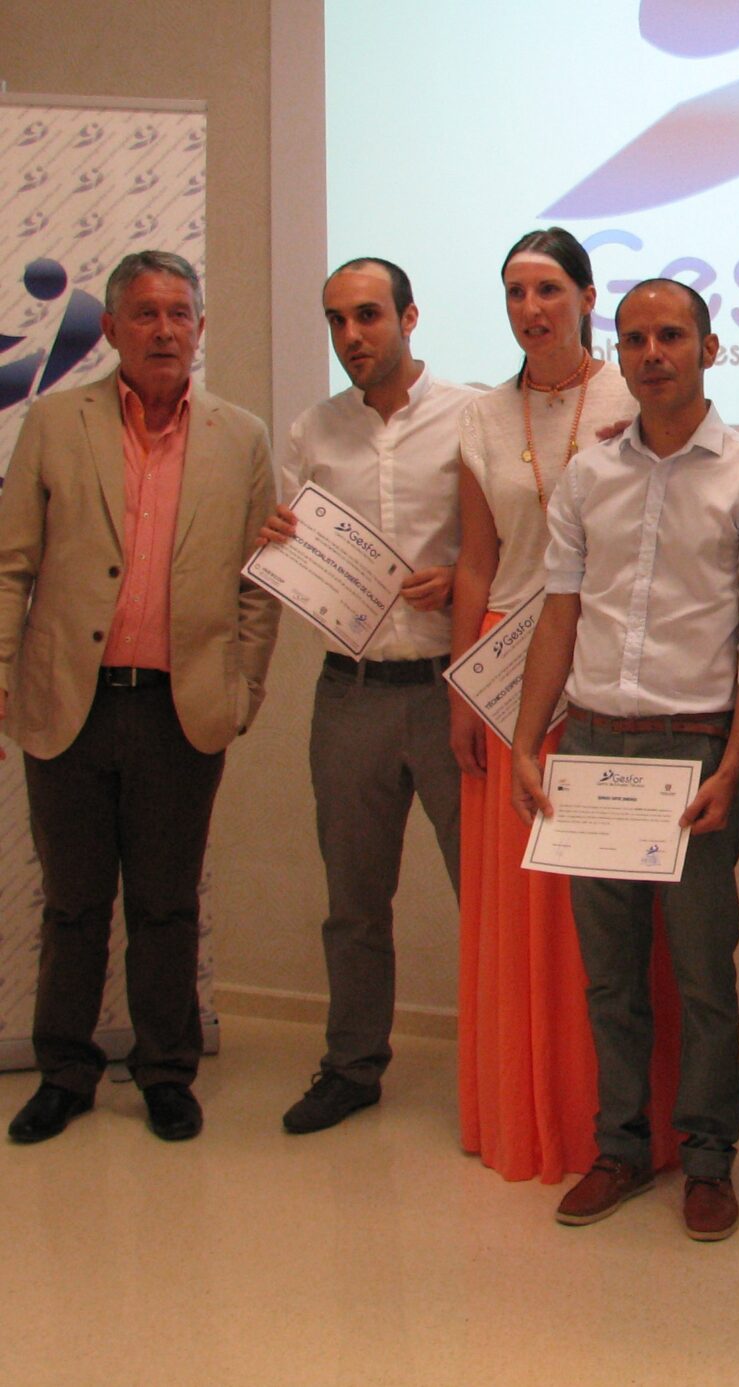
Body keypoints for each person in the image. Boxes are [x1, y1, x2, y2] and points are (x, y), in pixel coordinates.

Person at [510, 278, 739, 1239]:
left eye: (672, 335)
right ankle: (621, 1147)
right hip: (592, 745)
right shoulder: (590, 475)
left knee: (704, 972)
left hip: (694, 751)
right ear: (619, 354)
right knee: (610, 973)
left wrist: (734, 764)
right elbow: (559, 614)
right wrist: (527, 741)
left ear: (709, 348)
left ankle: (708, 1160)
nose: (653, 353)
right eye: (634, 339)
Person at [0, 250, 280, 1144]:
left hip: (180, 708)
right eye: (147, 314)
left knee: (166, 903)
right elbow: (11, 565)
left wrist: (241, 688)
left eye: (179, 313)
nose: (164, 330)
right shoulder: (54, 421)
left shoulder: (242, 436)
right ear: (113, 328)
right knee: (74, 903)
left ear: (200, 328)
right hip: (67, 702)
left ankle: (165, 1072)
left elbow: (260, 582)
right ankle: (65, 1071)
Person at [451, 228, 680, 1185]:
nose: (530, 308)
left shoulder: (634, 393)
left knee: (606, 909)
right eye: (515, 291)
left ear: (588, 297)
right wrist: (459, 688)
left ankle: (622, 1123)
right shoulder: (479, 415)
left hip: (603, 658)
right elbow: (475, 559)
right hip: (503, 669)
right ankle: (526, 1110)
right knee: (519, 906)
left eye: (548, 288)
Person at [263, 257, 472, 1135]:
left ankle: (500, 1072)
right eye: (337, 320)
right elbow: (291, 552)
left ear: (409, 317)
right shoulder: (311, 431)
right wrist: (276, 544)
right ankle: (351, 1066)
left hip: (451, 692)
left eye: (369, 316)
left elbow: (517, 544)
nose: (352, 335)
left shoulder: (470, 417)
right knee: (353, 901)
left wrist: (460, 579)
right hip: (349, 693)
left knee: (485, 899)